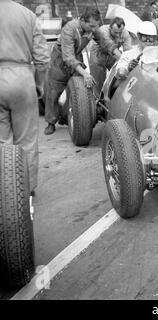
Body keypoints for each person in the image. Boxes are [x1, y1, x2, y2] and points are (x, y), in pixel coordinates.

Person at [0, 0, 50, 195]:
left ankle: (5, 189)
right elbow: (42, 58)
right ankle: (25, 189)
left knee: (2, 141)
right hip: (21, 76)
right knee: (26, 140)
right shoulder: (27, 15)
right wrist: (38, 85)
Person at [44, 8, 101, 135]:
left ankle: (65, 116)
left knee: (76, 90)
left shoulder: (92, 28)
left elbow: (104, 42)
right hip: (60, 61)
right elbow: (68, 57)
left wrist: (120, 56)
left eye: (96, 26)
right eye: (91, 26)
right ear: (82, 20)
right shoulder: (69, 29)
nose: (94, 29)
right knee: (53, 92)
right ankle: (51, 122)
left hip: (76, 58)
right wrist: (85, 74)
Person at [89, 17, 133, 95]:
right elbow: (109, 46)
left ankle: (114, 95)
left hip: (113, 55)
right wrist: (123, 58)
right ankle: (98, 101)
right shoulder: (103, 31)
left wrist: (129, 62)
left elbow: (128, 50)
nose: (118, 35)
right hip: (98, 54)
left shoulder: (125, 33)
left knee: (120, 73)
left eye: (120, 32)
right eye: (115, 32)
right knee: (98, 81)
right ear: (110, 28)